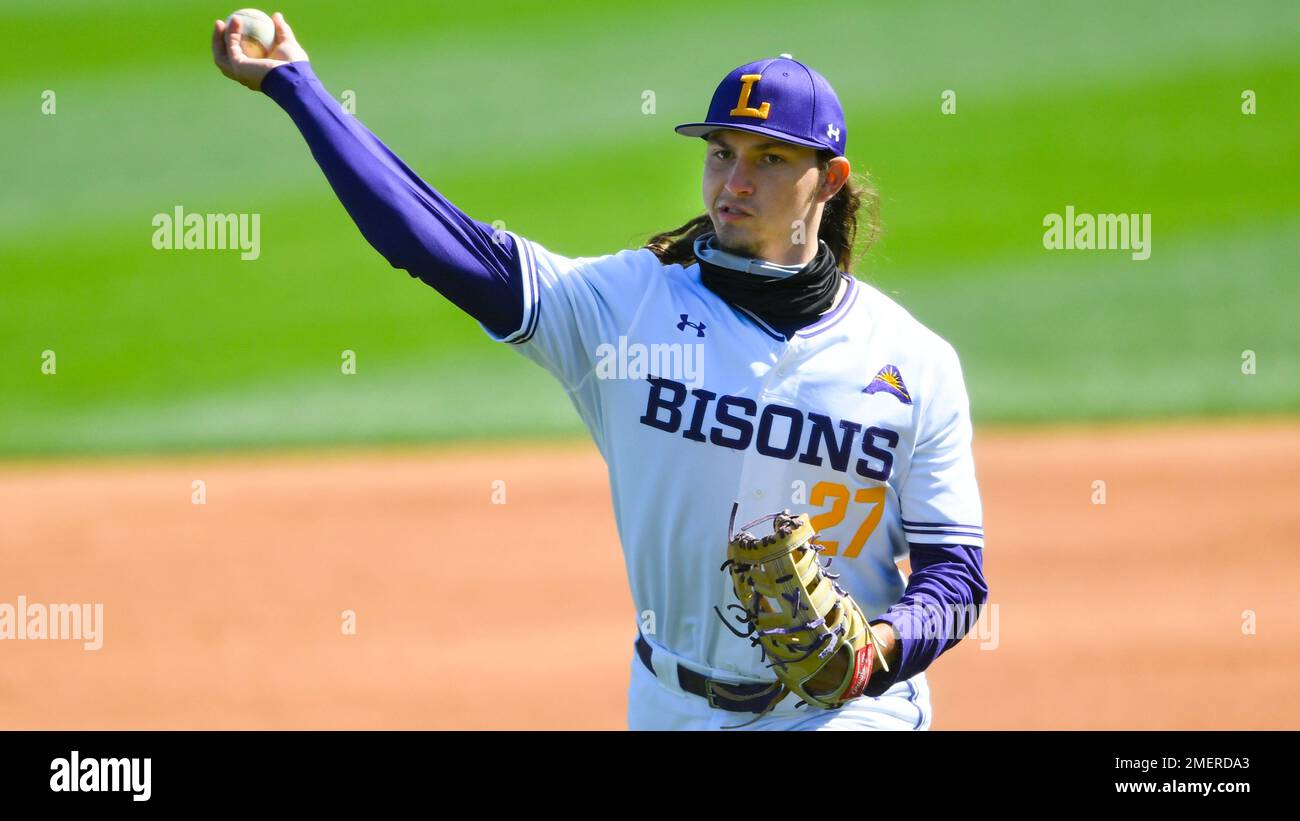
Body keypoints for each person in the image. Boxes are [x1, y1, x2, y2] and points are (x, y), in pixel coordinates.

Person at [212, 13, 989, 730]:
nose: (734, 181)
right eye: (721, 153)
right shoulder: (624, 307)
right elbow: (427, 240)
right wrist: (297, 88)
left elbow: (957, 580)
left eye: (769, 158)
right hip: (668, 704)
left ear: (830, 177)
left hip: (846, 716)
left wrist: (876, 649)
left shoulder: (913, 363)